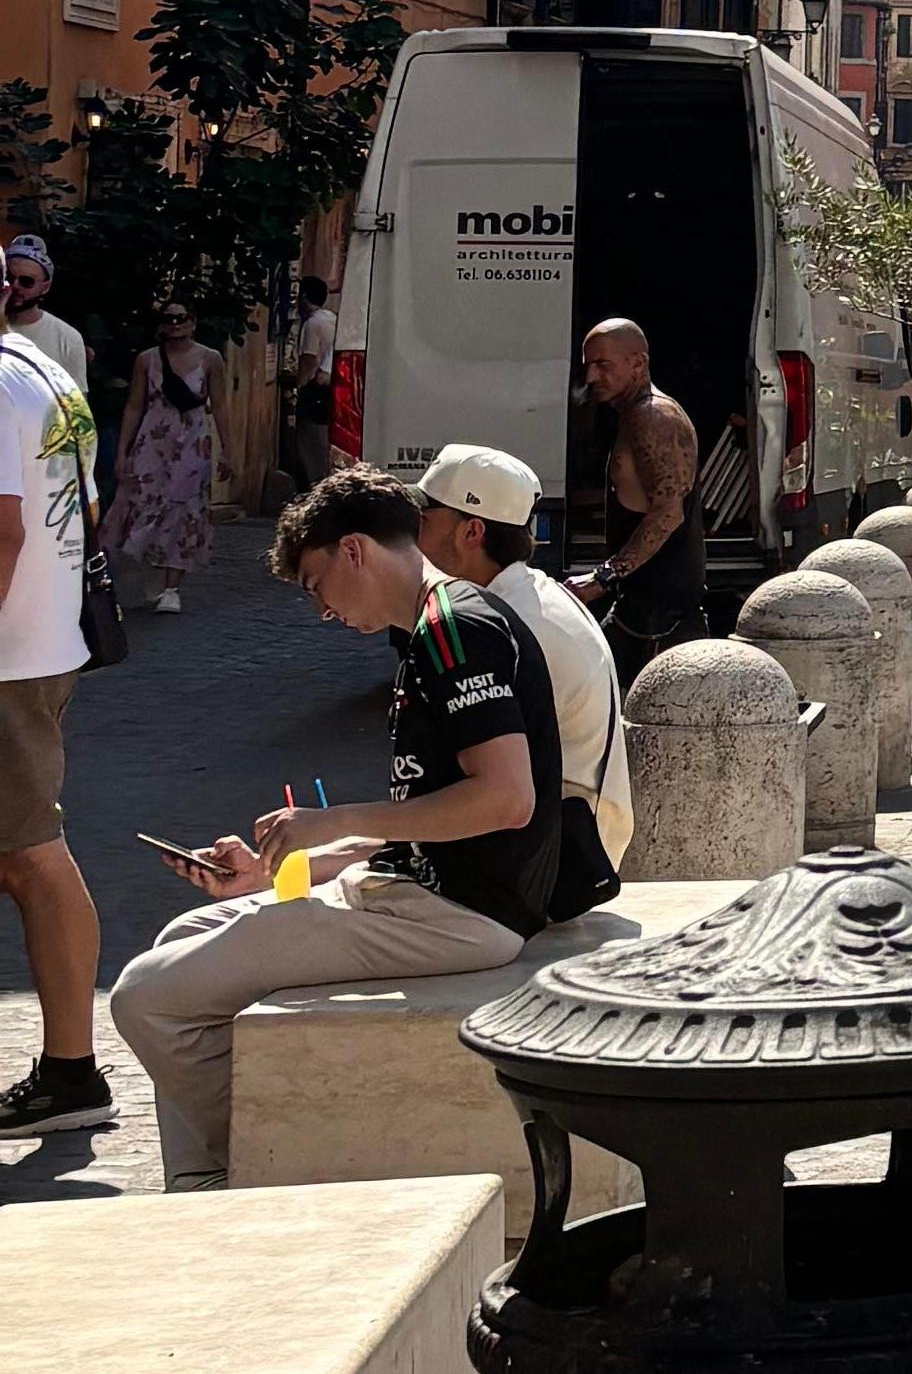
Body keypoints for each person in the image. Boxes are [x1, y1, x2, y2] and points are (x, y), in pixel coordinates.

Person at [108, 467, 566, 1192]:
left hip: (460, 916)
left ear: (354, 550)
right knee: (180, 939)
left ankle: (254, 1167)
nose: (321, 609)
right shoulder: (433, 627)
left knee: (143, 995)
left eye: (317, 585)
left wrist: (335, 820)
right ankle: (199, 1180)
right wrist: (287, 864)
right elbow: (428, 821)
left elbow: (506, 801)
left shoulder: (455, 631)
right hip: (419, 894)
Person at [415, 443, 630, 916]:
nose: (413, 535)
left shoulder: (505, 621)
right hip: (563, 838)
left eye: (425, 518)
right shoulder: (529, 595)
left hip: (556, 866)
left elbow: (495, 791)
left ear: (471, 531)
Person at [0, 294, 105, 1139]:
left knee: (31, 856)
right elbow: (84, 508)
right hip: (44, 642)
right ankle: (70, 1070)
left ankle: (73, 1072)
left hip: (11, 661)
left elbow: (2, 533)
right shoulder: (40, 369)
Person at [577, 317, 709, 659]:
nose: (591, 377)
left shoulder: (653, 416)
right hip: (642, 611)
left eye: (602, 364)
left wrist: (603, 576)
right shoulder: (635, 415)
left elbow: (668, 513)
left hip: (660, 619)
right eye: (588, 366)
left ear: (638, 363)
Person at [103, 303, 224, 618]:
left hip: (193, 444)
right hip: (153, 442)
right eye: (168, 319)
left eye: (181, 318)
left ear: (193, 322)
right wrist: (123, 451)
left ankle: (172, 588)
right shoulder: (148, 360)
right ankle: (145, 571)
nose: (174, 324)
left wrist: (228, 449)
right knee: (142, 504)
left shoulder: (210, 359)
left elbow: (221, 405)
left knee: (185, 511)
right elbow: (134, 405)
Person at [3, 231, 89, 400]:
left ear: (45, 286)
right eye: (9, 278)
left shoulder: (66, 338)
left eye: (27, 281)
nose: (15, 286)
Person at [280, 279, 337, 487]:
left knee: (309, 444)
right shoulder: (332, 319)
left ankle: (314, 485)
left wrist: (298, 386)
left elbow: (309, 360)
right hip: (332, 389)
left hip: (315, 392)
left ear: (303, 297)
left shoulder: (312, 324)